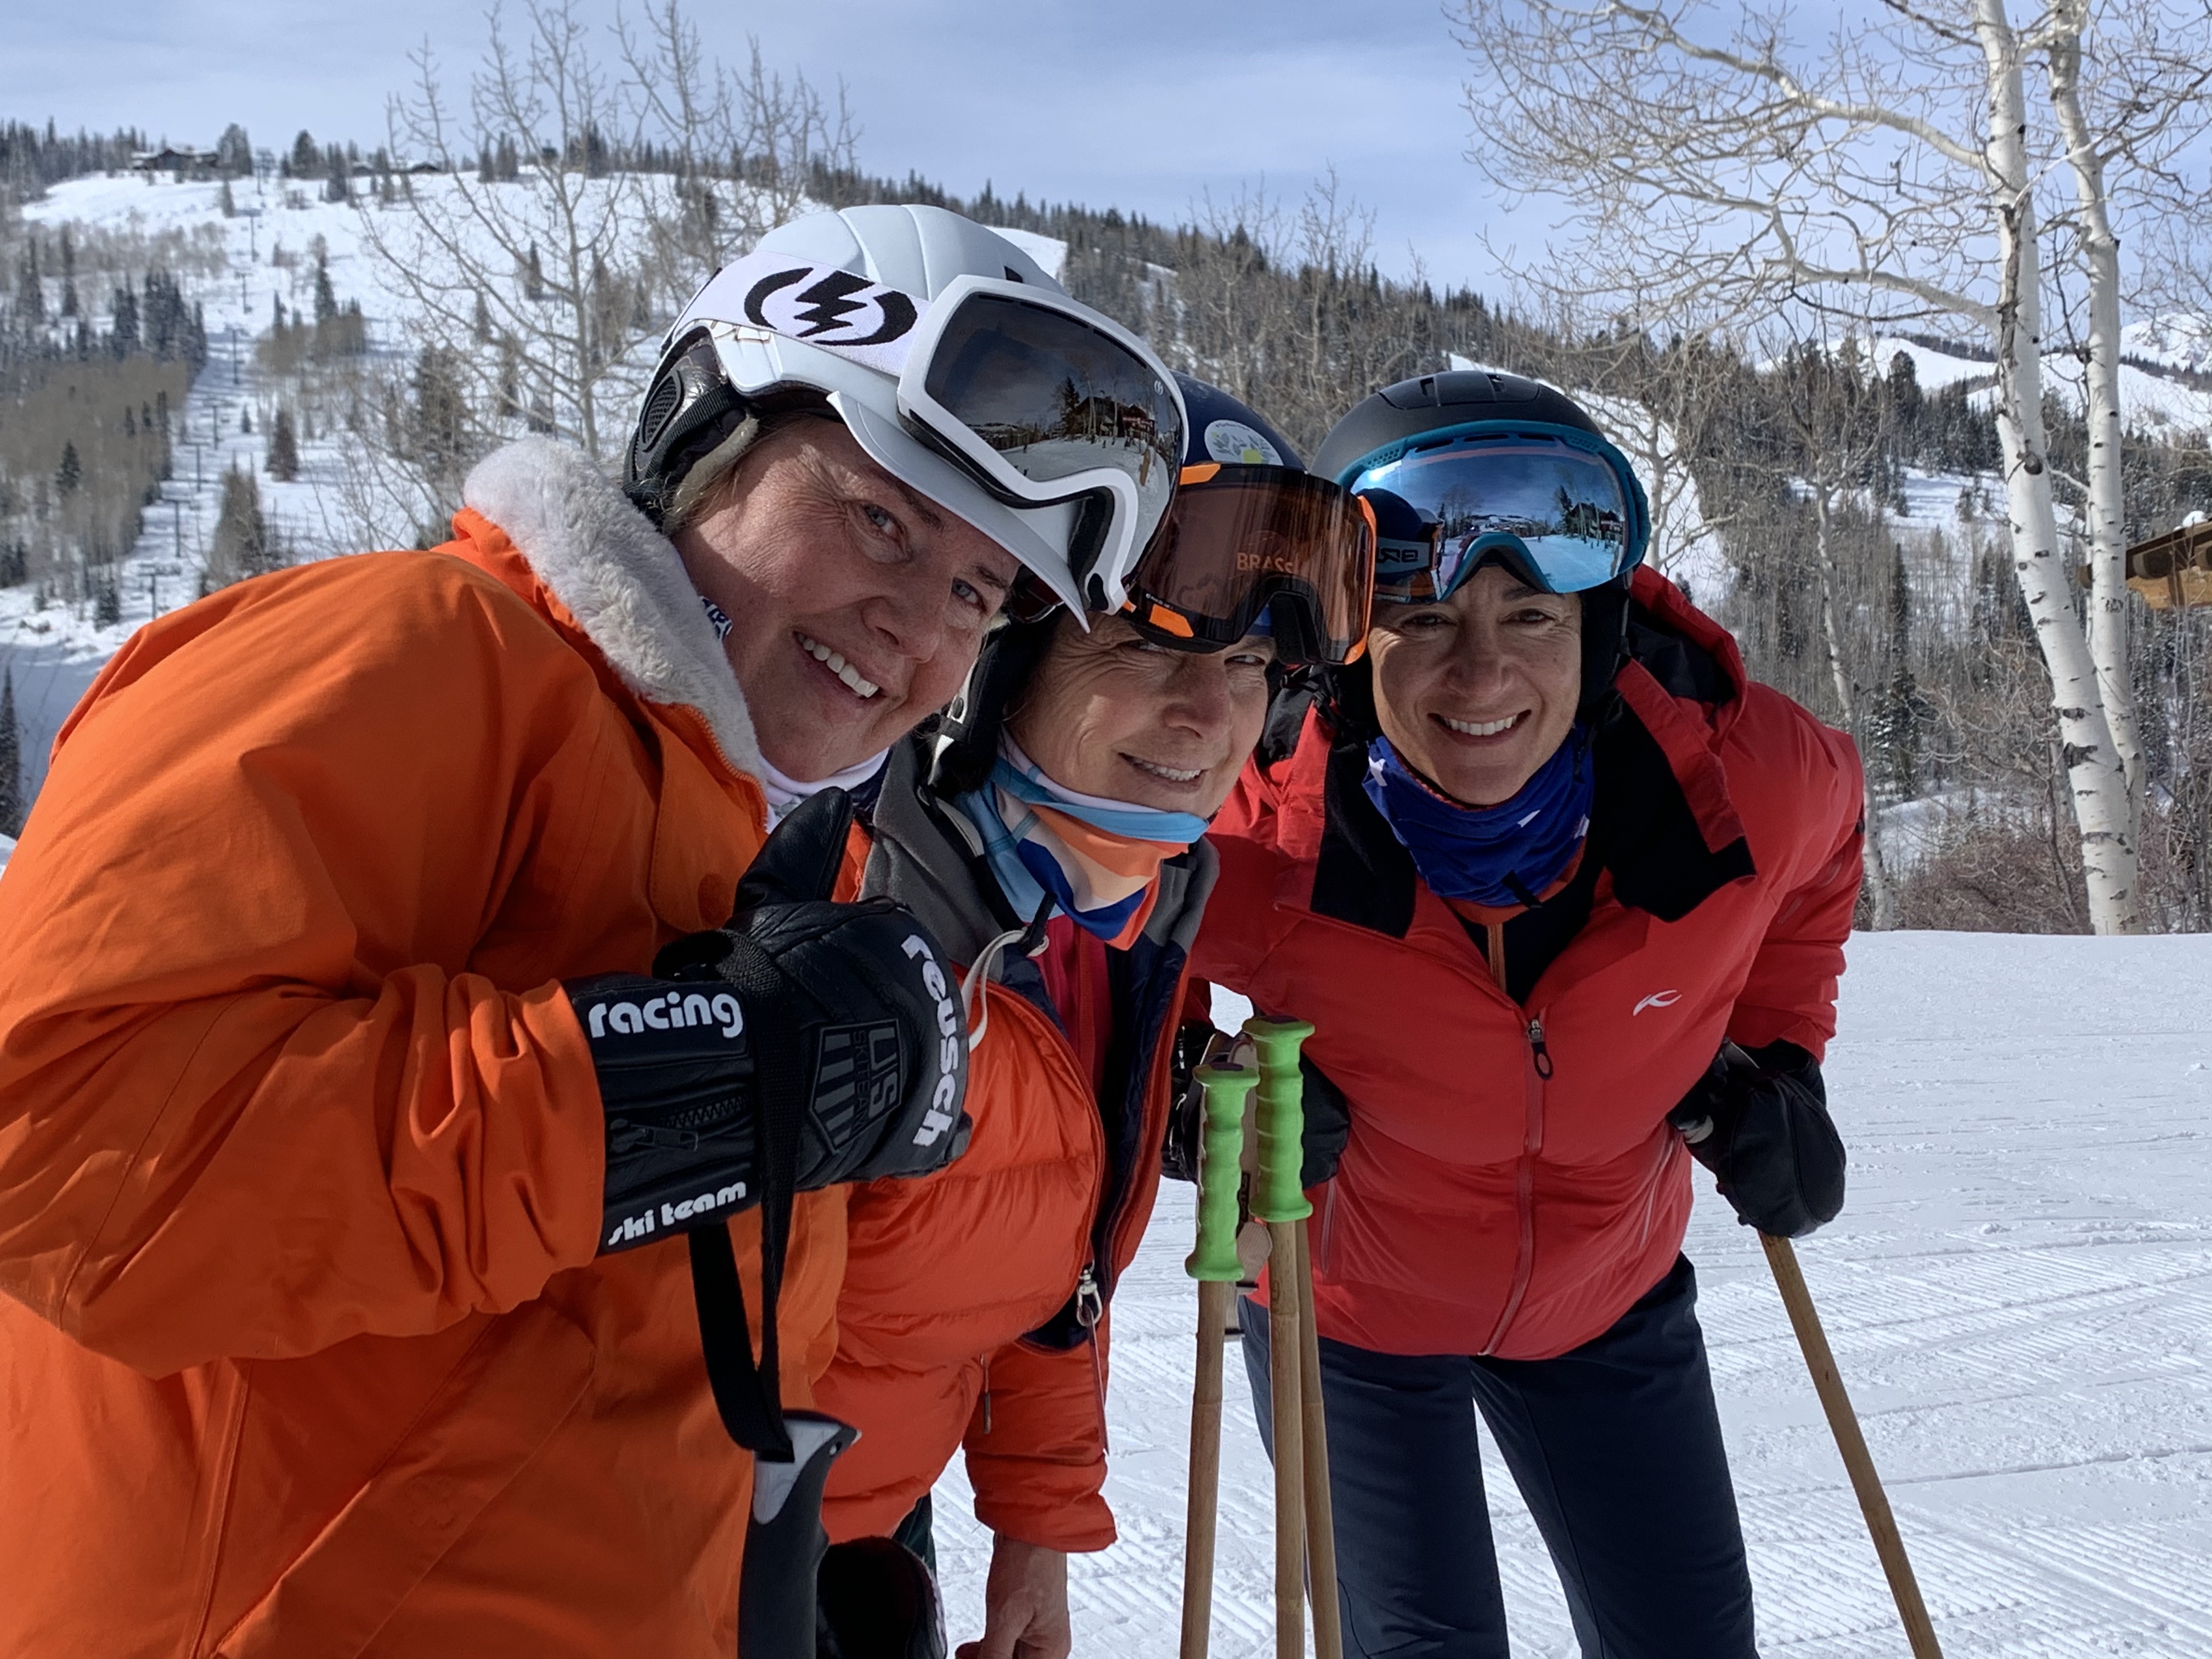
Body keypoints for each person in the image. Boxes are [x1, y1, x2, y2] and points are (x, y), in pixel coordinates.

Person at [0, 204, 1187, 1658]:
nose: (913, 631)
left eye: (973, 593)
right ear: (704, 433)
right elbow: (60, 1143)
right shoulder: (415, 653)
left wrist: (777, 1588)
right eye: (880, 518)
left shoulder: (734, 843)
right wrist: (688, 1088)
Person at [1192, 368, 1860, 1659]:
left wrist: (1780, 1058)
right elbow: (1080, 920)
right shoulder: (1261, 831)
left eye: (1530, 613)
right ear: (1351, 649)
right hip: (1350, 1319)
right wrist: (1182, 1086)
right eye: (1427, 619)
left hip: (1606, 1300)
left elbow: (1825, 856)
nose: (1483, 668)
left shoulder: (1739, 792)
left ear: (1598, 630)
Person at [811, 378, 1375, 1659]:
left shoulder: (1117, 915)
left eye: (1246, 669)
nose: (1209, 717)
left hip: (862, 1529)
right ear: (999, 667)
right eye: (1146, 647)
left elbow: (1045, 1266)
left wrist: (1034, 1528)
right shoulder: (842, 916)